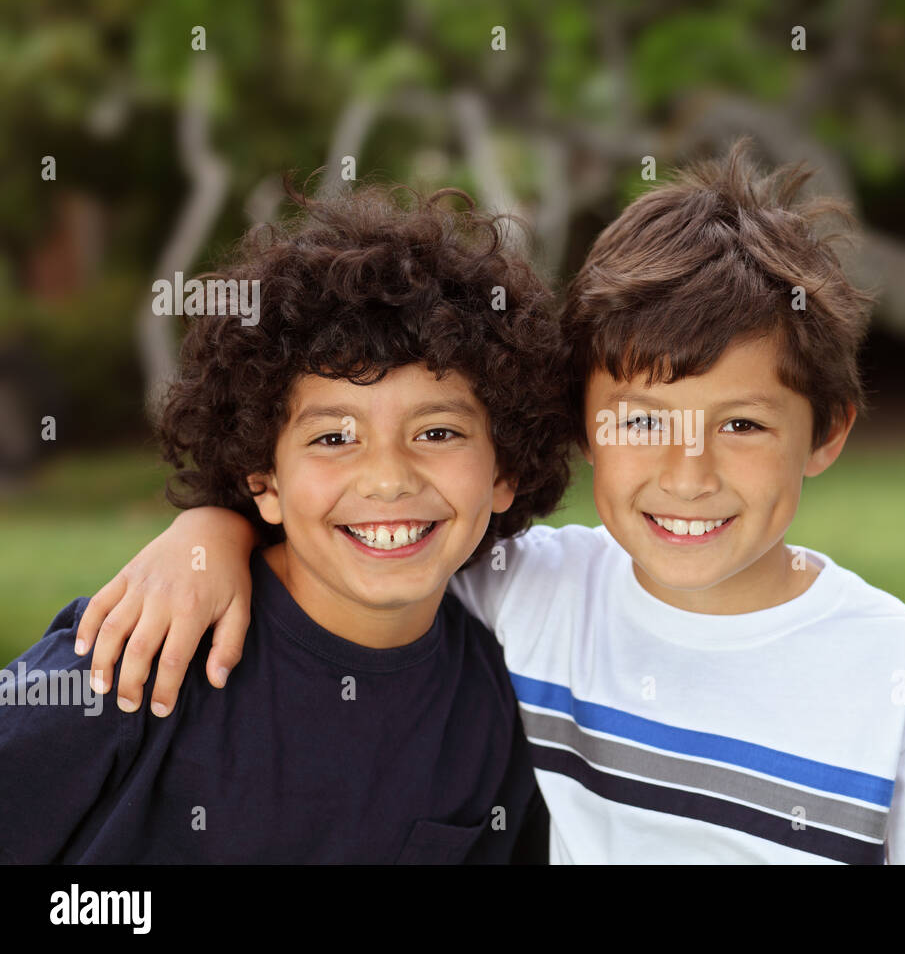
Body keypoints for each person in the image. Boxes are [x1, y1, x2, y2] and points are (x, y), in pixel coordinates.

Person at [73, 139, 905, 864]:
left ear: (825, 431)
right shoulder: (524, 591)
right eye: (640, 422)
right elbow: (371, 531)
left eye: (742, 425)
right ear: (578, 427)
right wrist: (209, 526)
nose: (689, 471)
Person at [0, 182, 570, 863]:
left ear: (504, 470)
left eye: (438, 432)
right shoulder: (138, 647)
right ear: (262, 480)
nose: (388, 478)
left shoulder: (502, 709)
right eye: (334, 439)